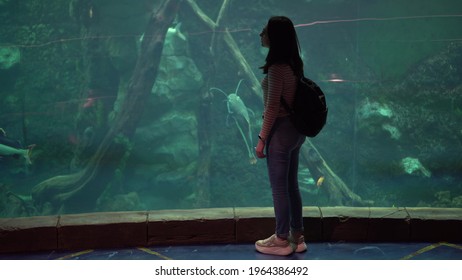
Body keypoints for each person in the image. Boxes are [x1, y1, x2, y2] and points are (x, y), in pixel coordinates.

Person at [254, 16, 307, 256]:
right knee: (291, 185)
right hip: (296, 132)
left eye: (264, 31)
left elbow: (273, 107)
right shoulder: (295, 64)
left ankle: (281, 240)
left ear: (274, 37)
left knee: (279, 189)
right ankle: (298, 235)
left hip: (281, 132)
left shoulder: (277, 68)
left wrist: (262, 139)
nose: (260, 34)